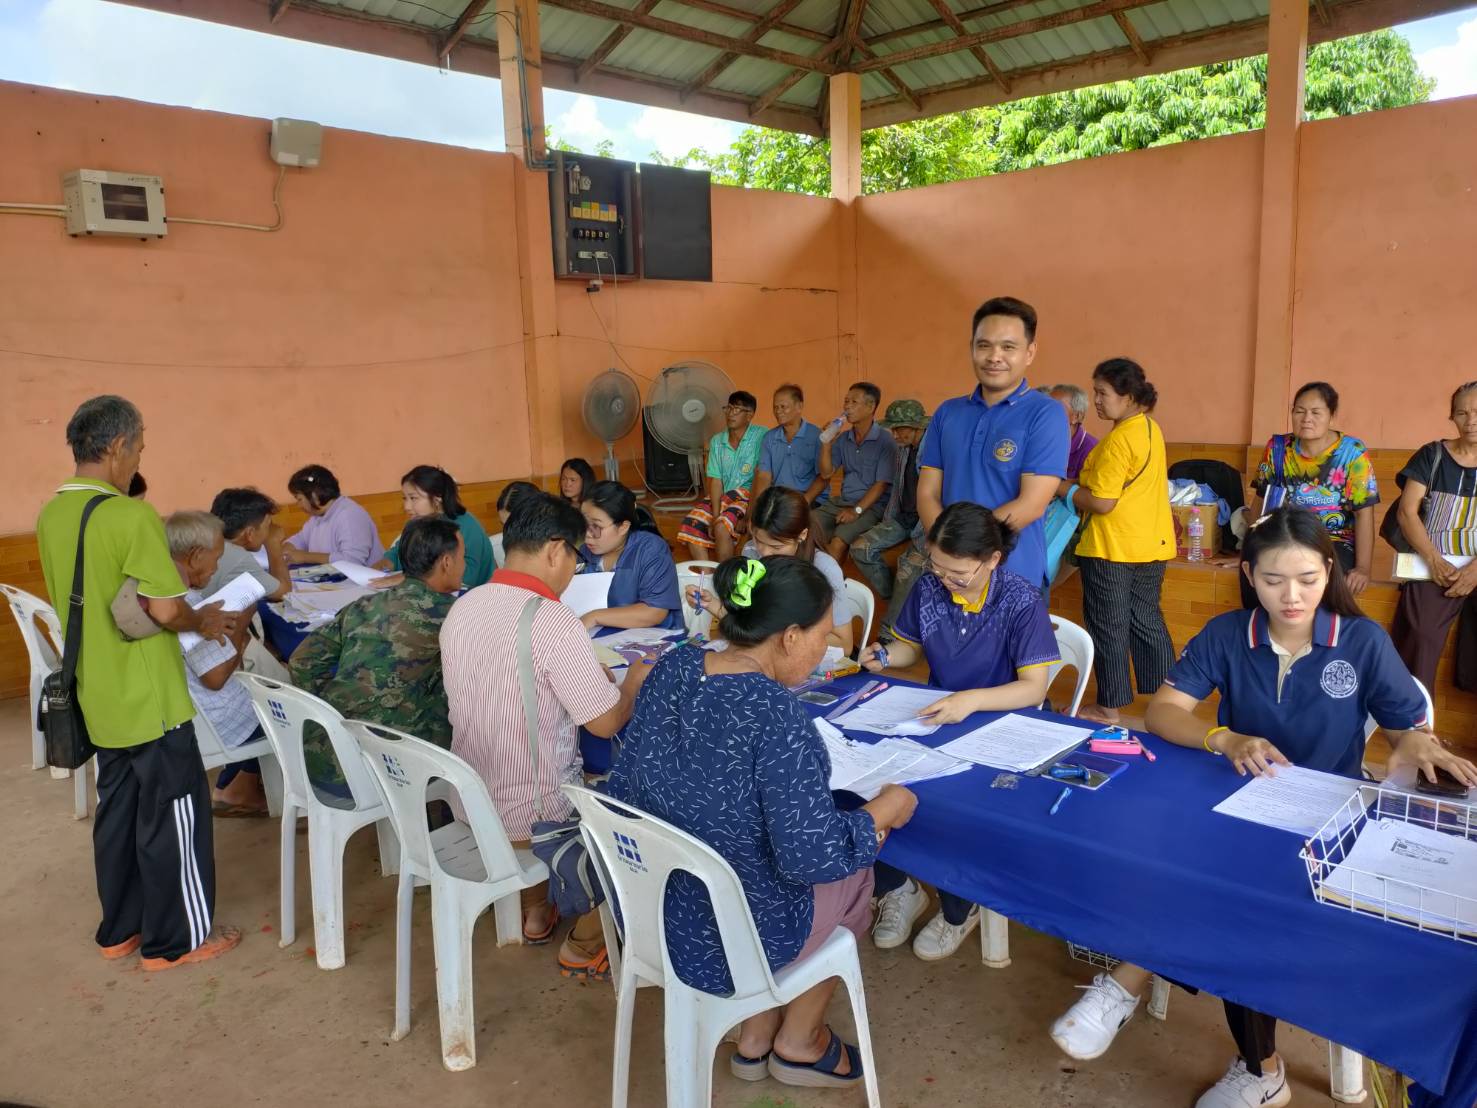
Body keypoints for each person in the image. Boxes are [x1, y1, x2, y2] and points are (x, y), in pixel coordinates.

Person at [1047, 507, 1477, 1108]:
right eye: (1274, 580)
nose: (1291, 595)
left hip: (1325, 818)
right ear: (1248, 574)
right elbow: (1165, 712)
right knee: (1168, 861)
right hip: (1238, 803)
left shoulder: (1359, 640)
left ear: (1329, 571)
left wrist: (1421, 744)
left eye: (1306, 578)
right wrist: (1221, 738)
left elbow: (1407, 726)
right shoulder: (1229, 634)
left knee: (1235, 904)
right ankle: (1247, 1058)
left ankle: (1140, 986)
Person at [605, 555, 918, 1090]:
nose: (826, 650)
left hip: (647, 913)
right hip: (725, 940)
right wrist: (883, 811)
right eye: (824, 635)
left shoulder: (675, 668)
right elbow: (813, 858)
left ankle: (754, 1037)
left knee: (746, 847)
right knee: (854, 876)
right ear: (791, 636)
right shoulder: (777, 716)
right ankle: (799, 1042)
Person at [36, 395, 240, 969]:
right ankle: (178, 941)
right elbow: (167, 611)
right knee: (174, 815)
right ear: (118, 446)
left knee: (119, 811)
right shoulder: (130, 515)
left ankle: (120, 930)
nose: (138, 460)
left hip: (96, 693)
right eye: (139, 448)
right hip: (150, 697)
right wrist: (204, 619)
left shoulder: (51, 513)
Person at [441, 493, 653, 979]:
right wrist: (634, 680)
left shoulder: (463, 606)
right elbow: (603, 723)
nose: (573, 571)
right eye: (577, 558)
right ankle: (583, 943)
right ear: (557, 550)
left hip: (470, 801)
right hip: (533, 820)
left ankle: (537, 910)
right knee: (651, 817)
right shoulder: (550, 620)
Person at [861, 503, 1060, 960]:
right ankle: (898, 887)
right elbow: (911, 651)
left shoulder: (1020, 600)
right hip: (943, 717)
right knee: (870, 778)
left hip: (1007, 725)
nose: (945, 579)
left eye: (959, 573)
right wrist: (887, 657)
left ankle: (960, 905)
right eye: (937, 566)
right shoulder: (928, 588)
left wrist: (972, 698)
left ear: (992, 560)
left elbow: (1033, 689)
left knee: (957, 802)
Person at [885, 296, 1068, 633]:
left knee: (1014, 680)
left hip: (1015, 575)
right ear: (972, 348)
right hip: (950, 574)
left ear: (1030, 352)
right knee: (947, 674)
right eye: (984, 345)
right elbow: (927, 492)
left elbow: (1031, 503)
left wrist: (962, 547)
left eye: (1008, 346)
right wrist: (949, 556)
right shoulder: (947, 413)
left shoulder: (1046, 413)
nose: (994, 356)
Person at [288, 516, 464, 798]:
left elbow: (302, 661)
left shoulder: (365, 604)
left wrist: (334, 712)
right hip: (384, 769)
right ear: (446, 562)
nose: (464, 565)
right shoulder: (453, 615)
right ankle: (438, 822)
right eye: (462, 557)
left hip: (322, 754)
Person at [1068, 358, 1176, 725]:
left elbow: (1101, 502)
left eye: (1102, 393)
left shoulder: (1117, 441)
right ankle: (1171, 699)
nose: (1096, 400)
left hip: (1111, 547)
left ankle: (1108, 707)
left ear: (1128, 396)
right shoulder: (1149, 428)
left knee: (1107, 625)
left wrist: (1064, 489)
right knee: (1146, 619)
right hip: (1150, 545)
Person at [166, 510, 268, 816]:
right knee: (287, 707)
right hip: (216, 720)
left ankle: (240, 784)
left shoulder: (169, 597)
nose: (218, 566)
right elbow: (215, 678)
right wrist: (242, 622)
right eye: (217, 557)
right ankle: (237, 788)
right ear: (196, 556)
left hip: (195, 712)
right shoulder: (185, 608)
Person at [690, 486, 856, 655]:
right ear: (750, 527)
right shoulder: (751, 552)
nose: (764, 553)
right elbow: (747, 621)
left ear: (802, 535)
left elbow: (844, 645)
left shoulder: (824, 569)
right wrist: (711, 604)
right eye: (758, 540)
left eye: (776, 546)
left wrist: (776, 636)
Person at [1250, 381, 1378, 595]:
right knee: (1260, 577)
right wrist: (1249, 551)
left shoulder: (1352, 453)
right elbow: (1260, 503)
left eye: (1316, 412)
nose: (1306, 418)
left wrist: (1363, 568)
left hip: (1335, 541)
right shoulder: (1278, 449)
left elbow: (1364, 514)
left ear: (1331, 415)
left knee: (1314, 578)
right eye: (1300, 411)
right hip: (1286, 535)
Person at [1391, 381, 1477, 696]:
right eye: (1462, 413)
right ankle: (1415, 719)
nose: (1471, 421)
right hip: (1436, 561)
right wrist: (1434, 560)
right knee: (1420, 631)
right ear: (1451, 417)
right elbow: (1407, 513)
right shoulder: (1433, 455)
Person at [575, 480, 682, 631]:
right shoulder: (585, 552)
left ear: (623, 527)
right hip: (602, 637)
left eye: (596, 526)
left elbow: (655, 612)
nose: (587, 535)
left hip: (656, 640)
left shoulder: (651, 550)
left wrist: (594, 617)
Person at [849, 399, 928, 600]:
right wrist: (887, 520)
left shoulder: (933, 451)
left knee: (907, 566)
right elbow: (897, 489)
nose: (894, 434)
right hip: (904, 518)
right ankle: (893, 599)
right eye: (892, 429)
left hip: (926, 524)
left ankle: (895, 619)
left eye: (899, 429)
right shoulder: (903, 449)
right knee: (859, 548)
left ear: (916, 427)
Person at [678, 390, 768, 562]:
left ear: (749, 415)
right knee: (691, 524)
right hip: (724, 496)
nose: (730, 413)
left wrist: (750, 516)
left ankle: (724, 578)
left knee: (721, 528)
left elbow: (760, 477)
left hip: (749, 496)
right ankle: (708, 575)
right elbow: (716, 481)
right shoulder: (717, 441)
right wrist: (715, 513)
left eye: (737, 409)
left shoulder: (761, 436)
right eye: (729, 408)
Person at [373, 464, 494, 589]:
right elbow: (399, 553)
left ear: (437, 498)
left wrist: (408, 578)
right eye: (405, 498)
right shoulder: (416, 524)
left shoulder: (467, 525)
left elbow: (467, 577)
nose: (407, 507)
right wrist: (384, 565)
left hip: (475, 597)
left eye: (413, 498)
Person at [813, 382, 896, 562]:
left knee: (838, 542)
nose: (847, 406)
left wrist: (856, 510)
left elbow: (881, 484)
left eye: (854, 402)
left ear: (870, 407)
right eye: (846, 401)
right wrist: (826, 444)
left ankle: (830, 588)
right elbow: (827, 474)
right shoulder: (844, 439)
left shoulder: (885, 441)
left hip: (870, 507)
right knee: (805, 526)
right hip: (842, 502)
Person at [283, 464, 384, 566]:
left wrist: (305, 557)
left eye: (299, 499)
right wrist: (286, 551)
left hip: (364, 580)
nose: (298, 505)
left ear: (314, 495)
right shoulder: (317, 517)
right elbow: (301, 539)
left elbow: (352, 561)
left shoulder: (349, 515)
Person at [206, 487, 291, 600]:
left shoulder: (208, 541)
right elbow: (283, 593)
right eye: (268, 526)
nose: (271, 530)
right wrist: (273, 543)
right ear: (249, 533)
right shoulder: (238, 557)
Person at [752, 383, 826, 505]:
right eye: (775, 407)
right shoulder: (769, 438)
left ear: (799, 407)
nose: (778, 411)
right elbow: (764, 476)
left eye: (783, 407)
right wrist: (759, 507)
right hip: (779, 500)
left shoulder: (816, 436)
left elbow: (823, 478)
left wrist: (804, 501)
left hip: (810, 500)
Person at [1049, 384, 1098, 491]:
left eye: (1056, 408)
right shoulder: (1041, 439)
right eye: (1046, 406)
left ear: (1076, 417)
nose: (1046, 413)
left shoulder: (1092, 449)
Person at [494, 480, 542, 568]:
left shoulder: (557, 546)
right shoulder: (494, 547)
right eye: (503, 526)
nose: (507, 533)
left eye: (512, 526)